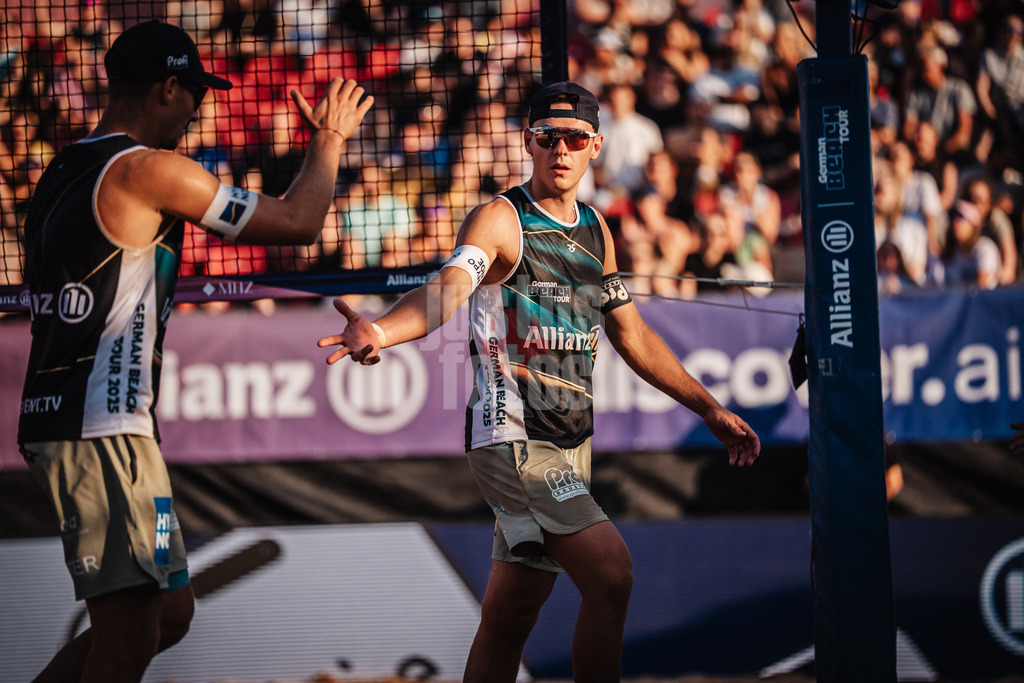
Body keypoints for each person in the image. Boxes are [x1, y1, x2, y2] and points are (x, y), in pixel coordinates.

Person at [316, 81, 761, 682]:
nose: (561, 150)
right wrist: (383, 333)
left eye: (574, 138)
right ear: (528, 141)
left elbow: (631, 336)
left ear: (595, 145)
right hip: (514, 439)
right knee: (612, 575)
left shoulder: (596, 230)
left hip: (570, 445)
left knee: (510, 616)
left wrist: (708, 409)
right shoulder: (501, 218)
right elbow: (446, 291)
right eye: (547, 137)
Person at [16, 20, 372, 683]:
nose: (199, 110)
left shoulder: (62, 167)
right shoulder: (148, 170)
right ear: (167, 88)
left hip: (82, 419)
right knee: (126, 639)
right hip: (98, 427)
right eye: (195, 94)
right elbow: (298, 223)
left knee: (169, 613)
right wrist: (328, 141)